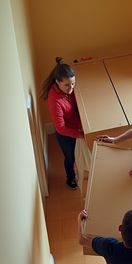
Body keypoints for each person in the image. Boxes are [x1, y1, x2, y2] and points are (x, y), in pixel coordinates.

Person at [40, 57, 83, 190]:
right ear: (57, 82)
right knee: (70, 158)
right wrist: (80, 134)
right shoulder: (55, 101)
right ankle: (70, 177)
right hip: (66, 134)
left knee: (80, 154)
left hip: (77, 127)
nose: (71, 88)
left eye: (73, 83)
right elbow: (61, 128)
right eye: (67, 85)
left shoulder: (70, 89)